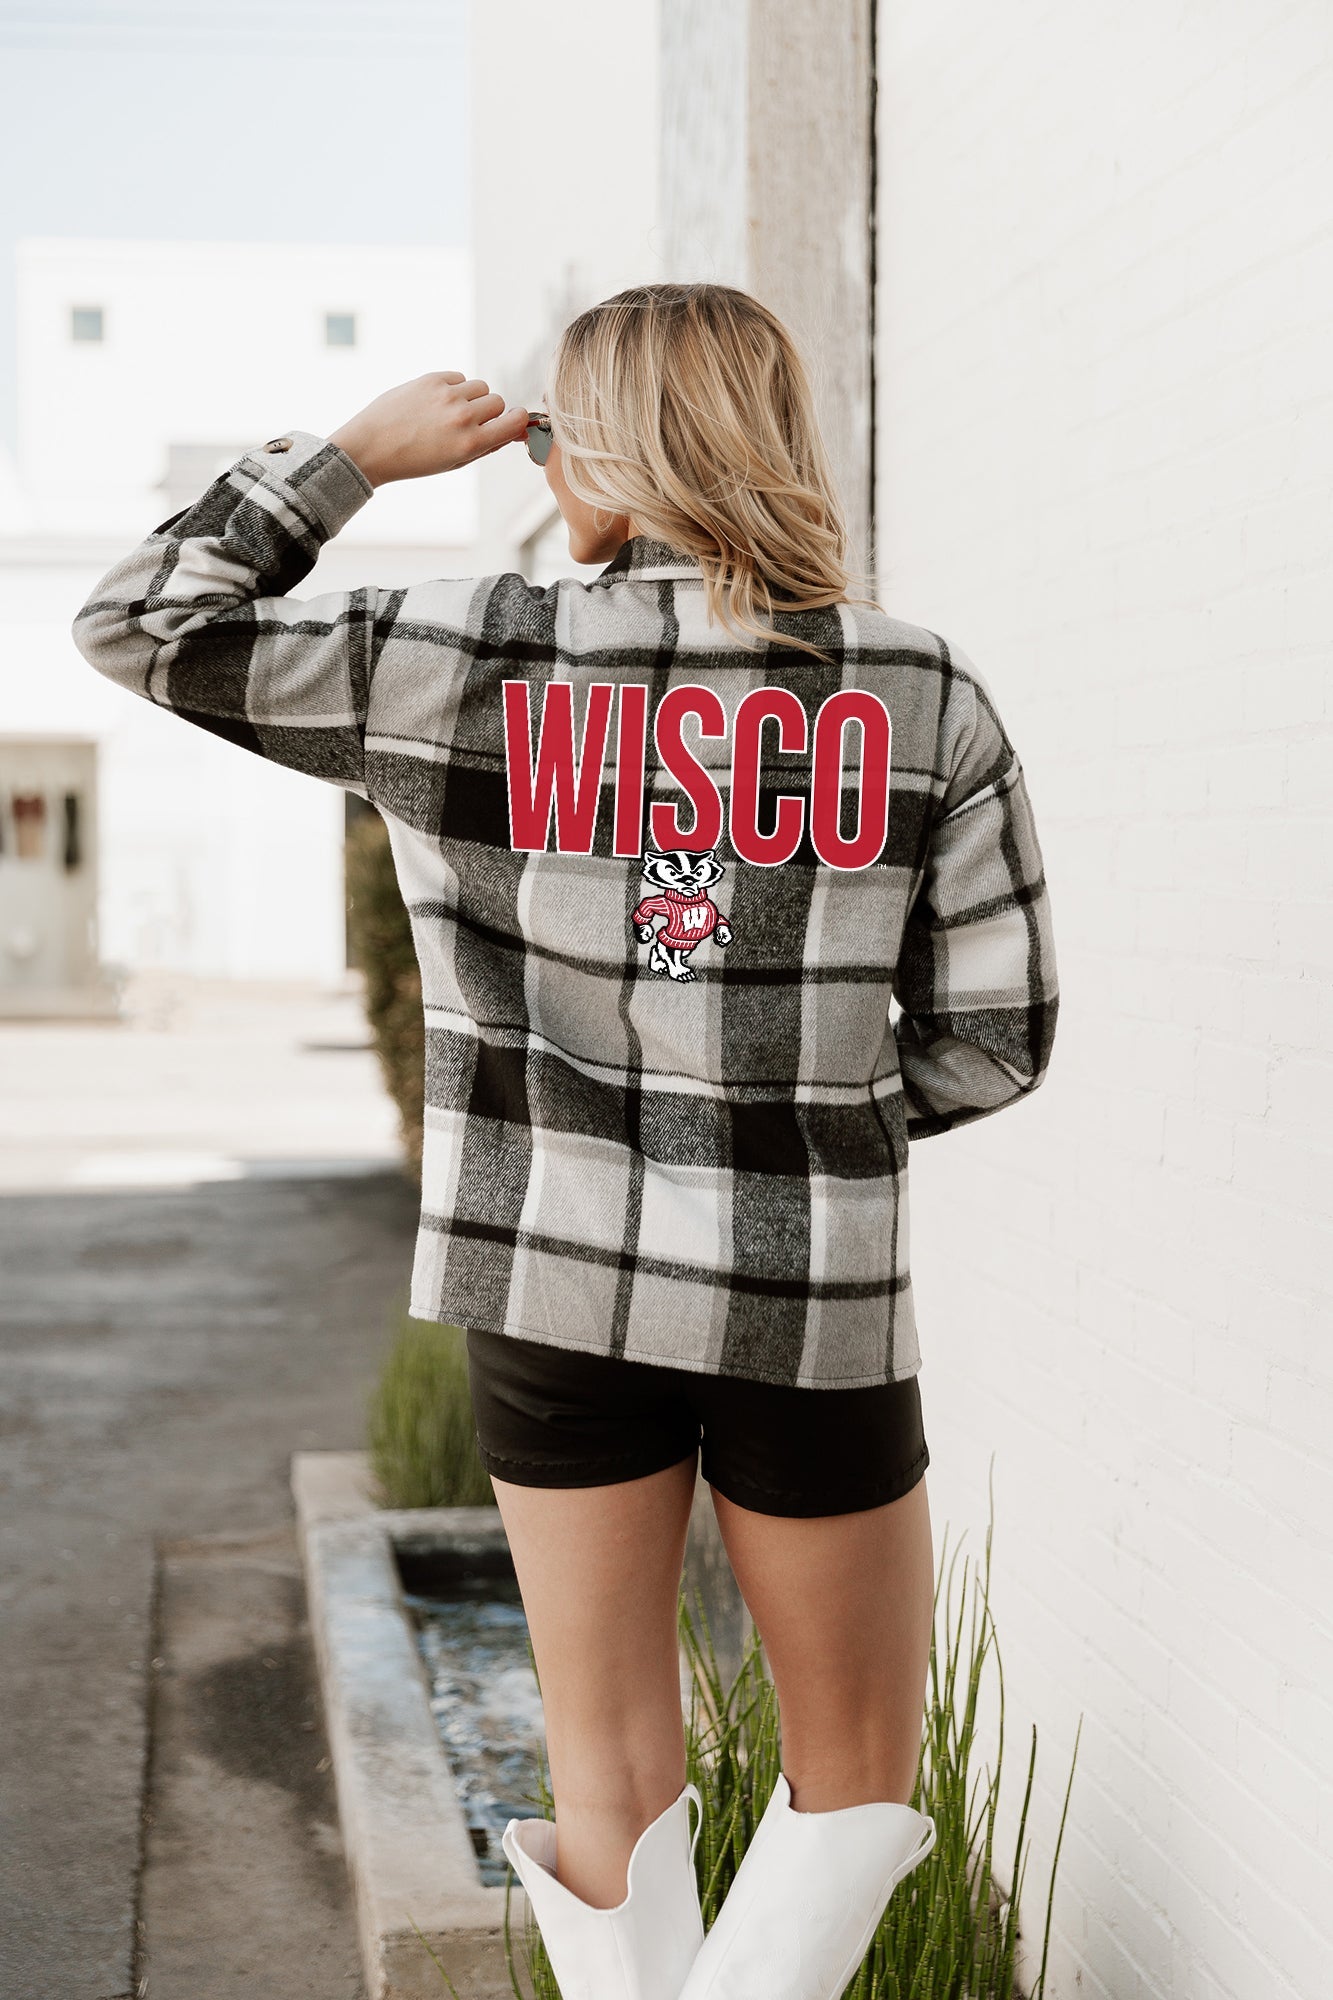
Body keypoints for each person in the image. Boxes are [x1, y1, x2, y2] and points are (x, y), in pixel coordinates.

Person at [71, 281, 1059, 2000]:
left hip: (547, 1277)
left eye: (549, 434)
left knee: (606, 1780)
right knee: (853, 1781)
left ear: (600, 454)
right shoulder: (914, 687)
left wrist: (353, 457)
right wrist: (809, 1122)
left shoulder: (459, 657)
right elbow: (996, 1037)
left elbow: (140, 621)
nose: (538, 466)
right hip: (804, 1293)